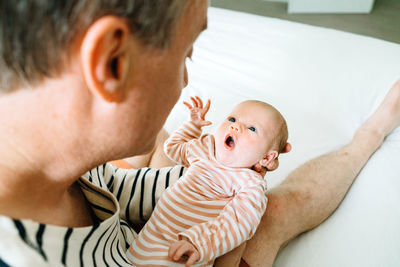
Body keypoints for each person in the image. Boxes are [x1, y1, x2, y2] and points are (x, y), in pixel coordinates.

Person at [0, 0, 399, 266]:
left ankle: (371, 132)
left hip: (143, 219)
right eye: (185, 55)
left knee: (245, 200)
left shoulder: (61, 159)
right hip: (166, 251)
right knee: (265, 220)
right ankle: (372, 133)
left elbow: (142, 175)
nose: (187, 78)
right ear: (113, 65)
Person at [126, 97, 288, 266]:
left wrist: (200, 243)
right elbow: (173, 148)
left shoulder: (250, 183)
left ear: (267, 157)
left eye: (252, 128)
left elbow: (239, 223)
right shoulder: (206, 149)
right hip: (146, 244)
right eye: (232, 119)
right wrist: (193, 126)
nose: (235, 126)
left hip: (186, 252)